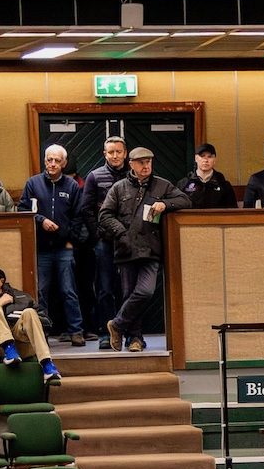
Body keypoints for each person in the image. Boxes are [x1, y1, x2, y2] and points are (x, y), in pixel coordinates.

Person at [98, 146, 189, 353]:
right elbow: (104, 215)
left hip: (151, 249)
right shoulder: (119, 188)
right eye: (141, 162)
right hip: (126, 249)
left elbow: (185, 200)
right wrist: (122, 233)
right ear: (131, 164)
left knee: (145, 292)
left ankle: (118, 324)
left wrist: (165, 204)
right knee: (129, 294)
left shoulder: (162, 185)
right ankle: (135, 339)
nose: (146, 165)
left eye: (149, 161)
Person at [21, 144, 87, 344]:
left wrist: (70, 240)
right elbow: (24, 210)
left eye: (57, 160)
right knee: (41, 292)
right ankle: (42, 332)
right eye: (49, 159)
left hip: (63, 248)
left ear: (64, 163)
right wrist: (41, 220)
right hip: (40, 249)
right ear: (44, 160)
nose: (53, 164)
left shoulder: (72, 186)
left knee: (68, 290)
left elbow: (78, 216)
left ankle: (76, 331)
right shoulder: (33, 183)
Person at [79, 137, 130, 343]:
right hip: (104, 242)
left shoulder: (133, 174)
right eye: (111, 152)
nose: (115, 155)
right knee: (105, 288)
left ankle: (129, 334)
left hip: (129, 240)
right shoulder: (94, 176)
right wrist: (97, 234)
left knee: (129, 289)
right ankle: (105, 335)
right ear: (104, 154)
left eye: (118, 151)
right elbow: (86, 208)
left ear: (125, 153)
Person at [0, 265, 61, 383]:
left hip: (24, 344)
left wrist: (22, 322)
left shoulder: (23, 297)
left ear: (1, 281)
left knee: (30, 312)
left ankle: (47, 364)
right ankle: (8, 348)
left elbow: (46, 322)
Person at [181, 143, 237, 210]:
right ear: (196, 159)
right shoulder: (184, 184)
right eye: (202, 156)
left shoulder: (224, 185)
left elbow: (233, 211)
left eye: (209, 157)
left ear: (214, 160)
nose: (206, 160)